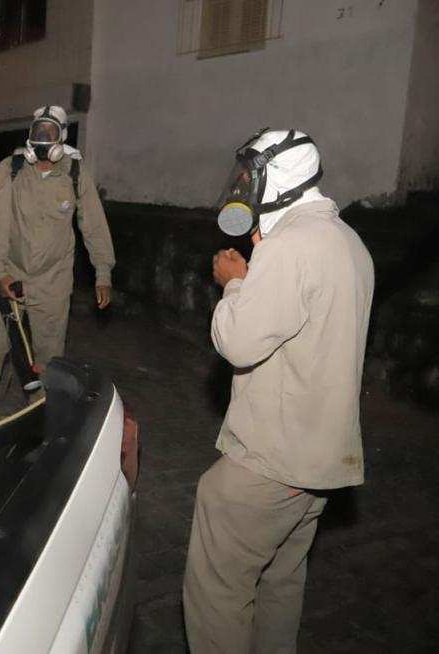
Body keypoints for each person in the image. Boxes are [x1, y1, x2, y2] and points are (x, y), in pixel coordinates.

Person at [183, 129, 374, 653]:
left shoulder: (289, 248)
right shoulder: (348, 241)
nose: (242, 185)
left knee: (218, 592)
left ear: (278, 178)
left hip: (271, 463)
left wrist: (235, 282)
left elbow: (238, 342)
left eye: (251, 175)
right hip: (318, 462)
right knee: (281, 582)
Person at [0, 105, 115, 400]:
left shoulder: (75, 174)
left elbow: (93, 224)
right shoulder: (11, 169)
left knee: (49, 356)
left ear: (61, 137)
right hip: (10, 272)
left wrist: (103, 272)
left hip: (53, 281)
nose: (43, 137)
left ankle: (40, 408)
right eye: (38, 130)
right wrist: (0, 273)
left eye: (50, 131)